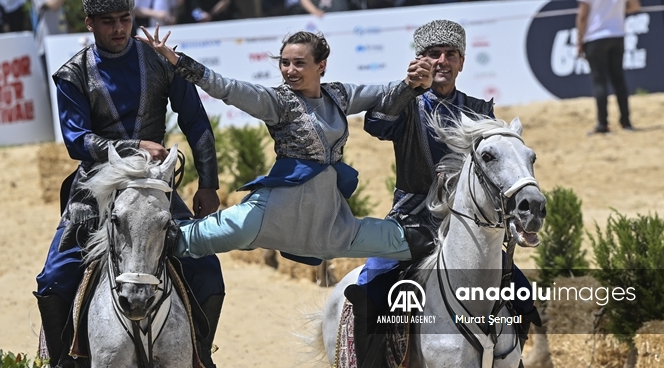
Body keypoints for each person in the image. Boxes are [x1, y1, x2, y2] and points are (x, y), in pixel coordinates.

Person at [331, 19, 547, 368]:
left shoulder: (482, 111)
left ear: (462, 61)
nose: (442, 61)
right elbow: (375, 123)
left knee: (517, 287)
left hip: (467, 225)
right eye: (433, 54)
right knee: (372, 283)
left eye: (450, 54)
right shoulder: (405, 101)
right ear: (419, 60)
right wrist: (407, 87)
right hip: (412, 219)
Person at [37, 0, 236, 368]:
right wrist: (133, 148)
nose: (119, 29)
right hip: (95, 189)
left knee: (208, 273)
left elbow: (197, 121)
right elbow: (75, 141)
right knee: (52, 282)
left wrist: (208, 183)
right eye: (108, 22)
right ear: (89, 23)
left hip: (153, 188)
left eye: (125, 19)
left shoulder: (159, 62)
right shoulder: (72, 73)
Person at [137, 28, 438, 266]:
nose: (289, 70)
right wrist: (177, 61)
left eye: (299, 63)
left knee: (410, 241)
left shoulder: (339, 96)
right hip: (275, 212)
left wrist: (412, 82)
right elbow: (227, 88)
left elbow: (385, 92)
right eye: (284, 62)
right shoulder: (277, 102)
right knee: (183, 241)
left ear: (321, 66)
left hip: (330, 222)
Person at [575, 0, 641, 134]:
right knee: (619, 79)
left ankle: (602, 123)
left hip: (595, 37)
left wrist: (579, 40)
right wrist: (618, 12)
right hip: (617, 34)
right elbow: (635, 6)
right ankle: (626, 122)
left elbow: (582, 16)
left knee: (599, 81)